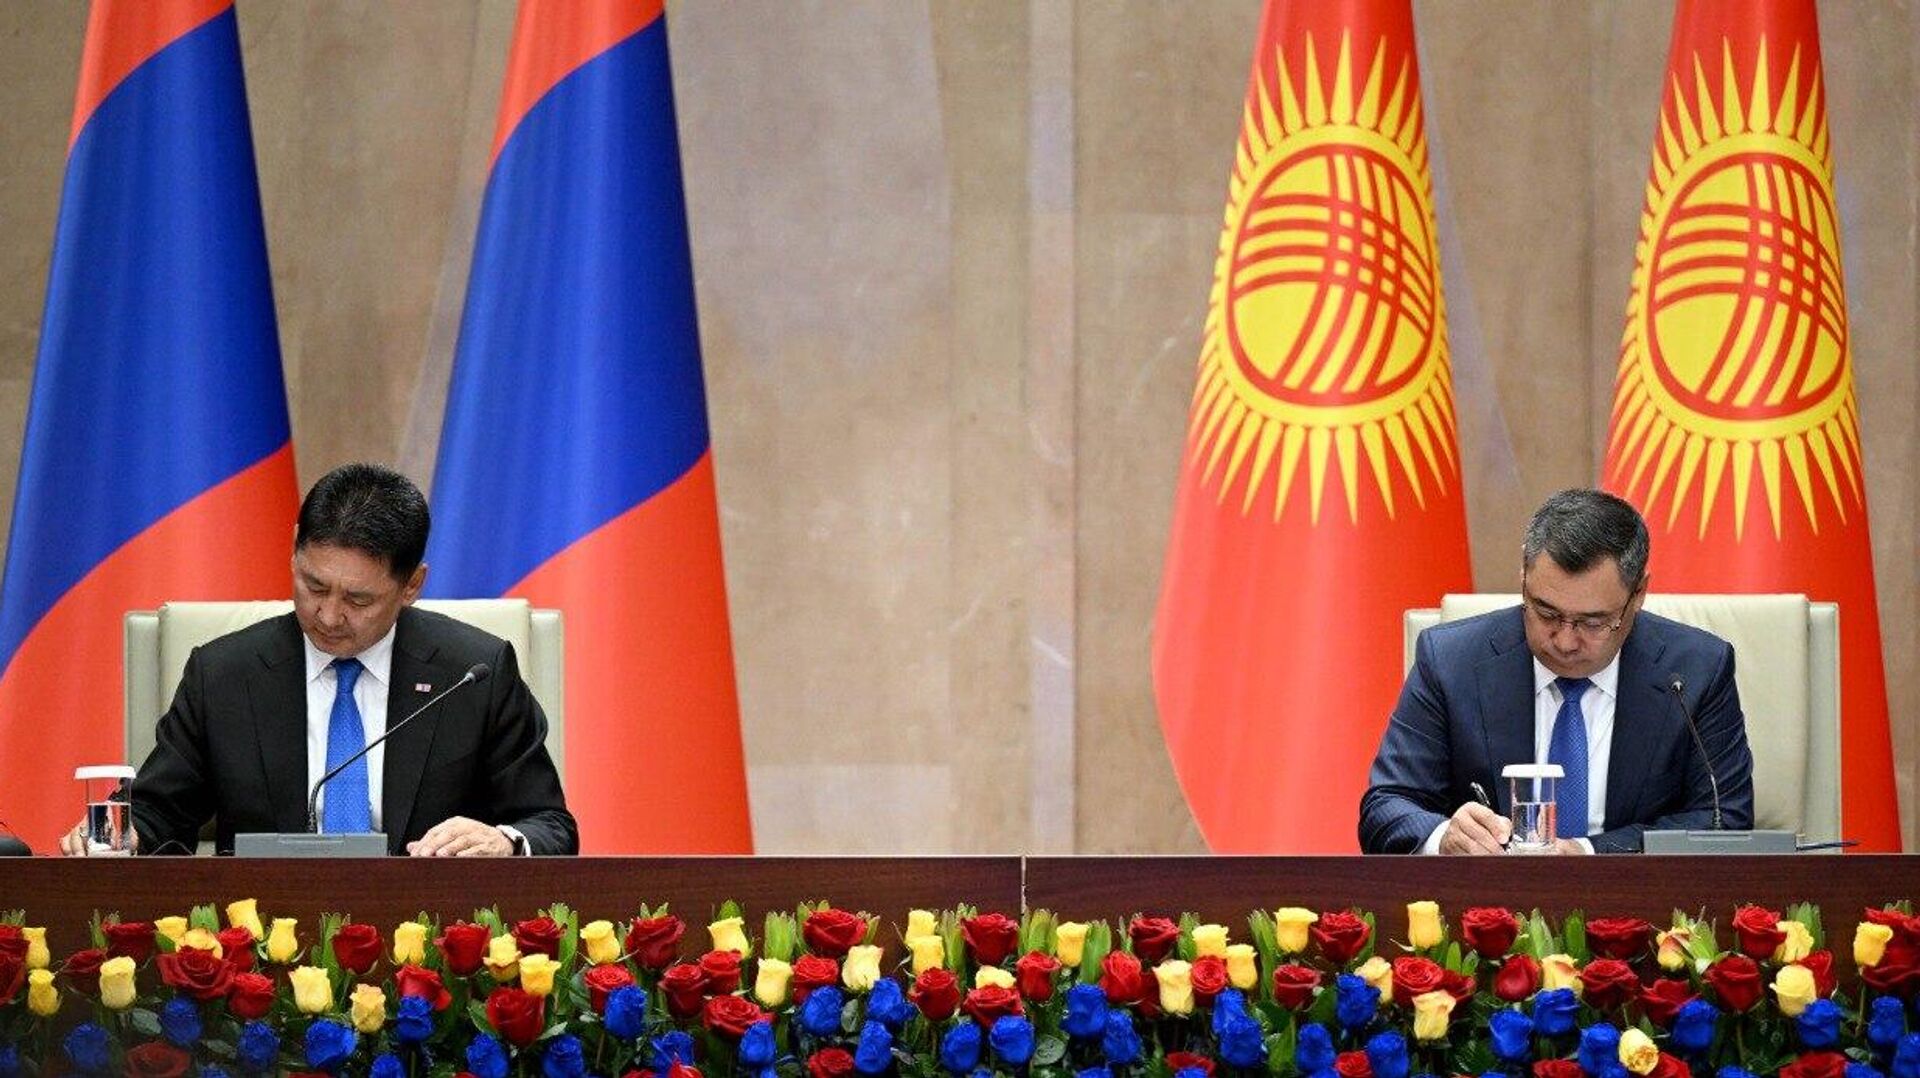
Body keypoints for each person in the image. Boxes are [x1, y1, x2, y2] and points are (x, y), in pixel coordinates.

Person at [61, 463, 577, 856]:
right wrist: (116, 834)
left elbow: (549, 824)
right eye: (313, 586)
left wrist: (503, 841)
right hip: (261, 939)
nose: (328, 616)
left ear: (412, 585)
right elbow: (157, 811)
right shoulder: (223, 675)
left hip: (428, 940)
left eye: (358, 600)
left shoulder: (474, 674)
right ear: (294, 551)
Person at [1359, 488, 1754, 854]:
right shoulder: (1451, 661)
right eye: (1546, 613)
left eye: (1593, 622)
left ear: (1638, 595)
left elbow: (1723, 820)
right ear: (1524, 580)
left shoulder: (1695, 671)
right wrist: (1445, 835)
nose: (1565, 641)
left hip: (1636, 901)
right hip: (1487, 901)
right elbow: (1387, 806)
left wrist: (1587, 853)